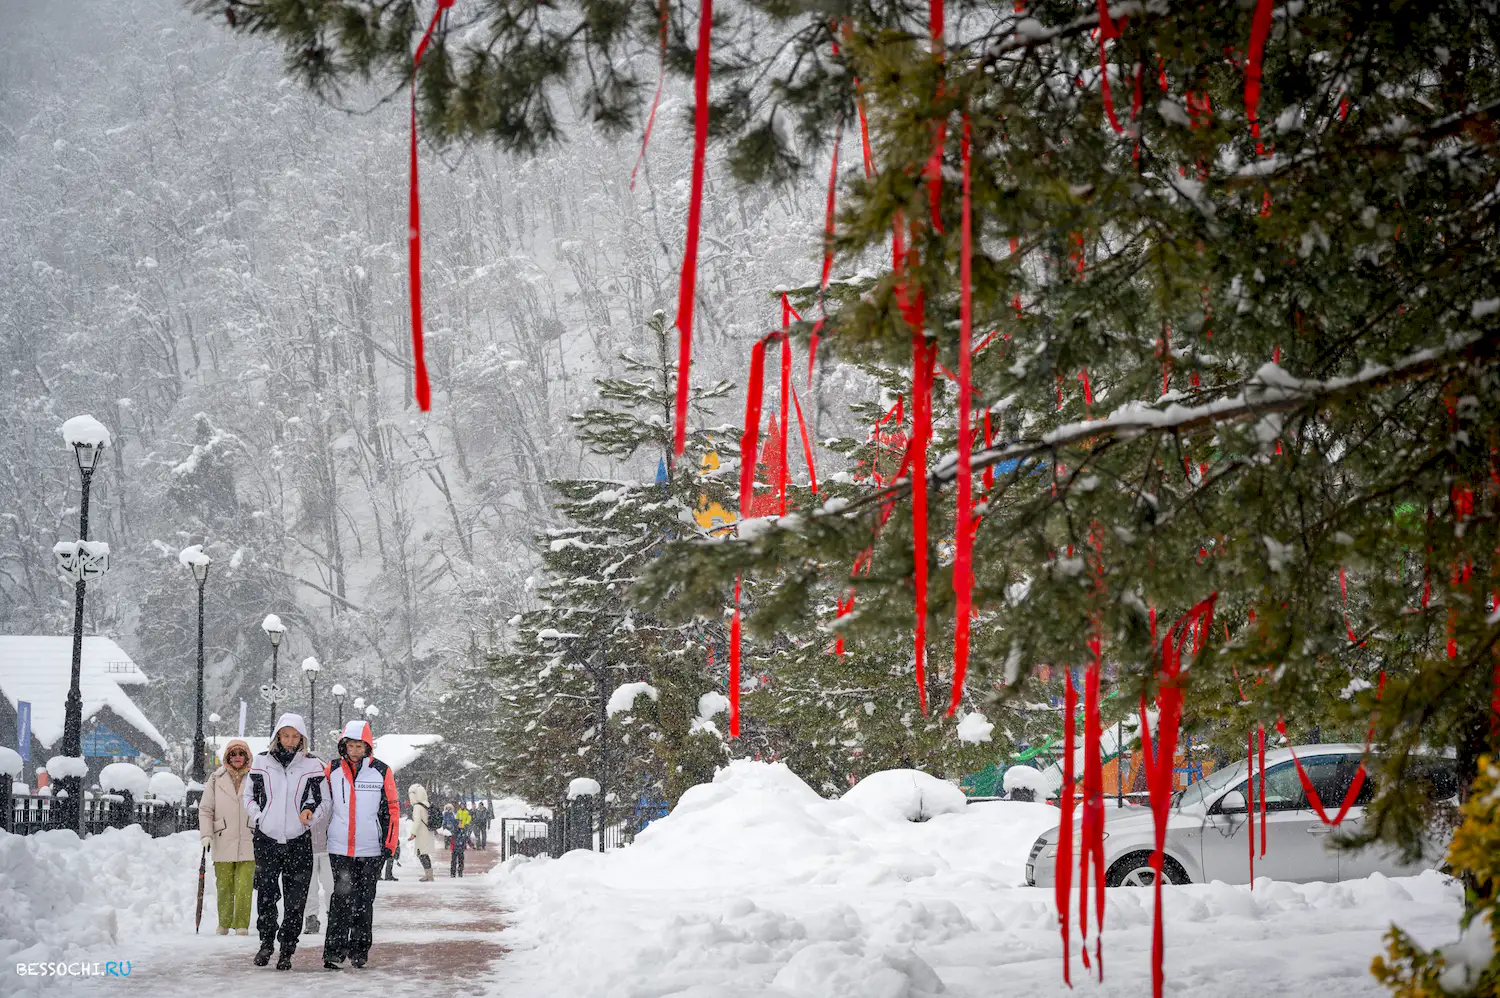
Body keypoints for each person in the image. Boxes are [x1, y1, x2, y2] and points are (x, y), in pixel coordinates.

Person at [243, 714, 328, 970]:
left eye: (295, 736)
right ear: (277, 736)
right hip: (267, 839)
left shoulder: (312, 765)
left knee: (295, 900)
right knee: (267, 897)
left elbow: (325, 800)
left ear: (302, 738)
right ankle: (266, 943)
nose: (290, 741)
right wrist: (260, 817)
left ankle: (287, 948)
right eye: (285, 735)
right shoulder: (260, 761)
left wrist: (310, 818)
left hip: (298, 841)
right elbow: (248, 796)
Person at [322, 720, 400, 971]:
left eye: (360, 746)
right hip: (340, 847)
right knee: (340, 899)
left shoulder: (381, 770)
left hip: (370, 849)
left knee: (364, 901)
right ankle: (333, 952)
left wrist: (390, 843)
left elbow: (392, 808)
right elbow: (323, 803)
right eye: (351, 745)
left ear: (368, 747)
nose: (355, 750)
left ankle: (359, 950)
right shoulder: (332, 769)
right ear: (343, 746)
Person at [199, 738, 255, 936]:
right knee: (224, 884)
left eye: (241, 754)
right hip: (222, 836)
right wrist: (206, 834)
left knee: (244, 885)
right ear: (227, 757)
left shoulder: (256, 777)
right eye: (233, 754)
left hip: (249, 837)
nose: (238, 758)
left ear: (247, 756)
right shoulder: (216, 778)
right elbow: (206, 809)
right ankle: (223, 922)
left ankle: (241, 924)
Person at [304, 787, 333, 936]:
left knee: (331, 885)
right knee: (310, 887)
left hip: (329, 849)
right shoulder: (301, 799)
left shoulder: (331, 801)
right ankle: (311, 917)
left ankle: (333, 915)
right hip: (307, 849)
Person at [407, 784, 435, 882]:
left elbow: (417, 821)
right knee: (424, 854)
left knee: (421, 854)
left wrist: (412, 833)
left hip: (421, 833)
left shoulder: (417, 807)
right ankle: (429, 875)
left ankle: (428, 876)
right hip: (428, 832)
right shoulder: (427, 804)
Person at [443, 803, 466, 878]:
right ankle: (453, 873)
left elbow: (467, 839)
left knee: (460, 861)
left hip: (460, 849)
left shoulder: (462, 831)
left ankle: (460, 872)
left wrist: (470, 845)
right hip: (455, 848)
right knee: (454, 861)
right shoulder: (454, 832)